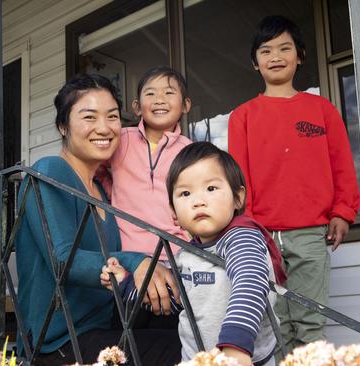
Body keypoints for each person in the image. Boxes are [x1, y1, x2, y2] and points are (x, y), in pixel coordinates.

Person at [15, 73, 181, 365]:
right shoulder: (49, 171)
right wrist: (135, 260)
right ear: (63, 126)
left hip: (106, 329)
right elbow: (64, 260)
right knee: (181, 350)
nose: (104, 128)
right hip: (58, 343)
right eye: (89, 117)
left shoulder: (103, 191)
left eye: (113, 116)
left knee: (189, 327)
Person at [227, 15, 360, 355]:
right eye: (266, 50)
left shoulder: (322, 109)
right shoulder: (243, 115)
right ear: (254, 62)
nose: (275, 56)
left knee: (310, 322)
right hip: (262, 234)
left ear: (300, 55)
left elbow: (342, 166)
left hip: (312, 232)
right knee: (275, 324)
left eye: (285, 48)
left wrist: (343, 212)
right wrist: (249, 226)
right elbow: (237, 179)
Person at [101, 142, 279, 366]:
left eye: (211, 189)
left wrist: (236, 345)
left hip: (244, 358)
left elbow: (250, 282)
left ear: (238, 197)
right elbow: (174, 299)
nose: (198, 201)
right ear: (173, 213)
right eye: (185, 193)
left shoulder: (242, 238)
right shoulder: (186, 255)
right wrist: (125, 284)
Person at [108, 66, 193, 264]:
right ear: (137, 107)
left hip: (177, 253)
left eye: (169, 93)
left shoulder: (190, 152)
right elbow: (97, 170)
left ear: (185, 105)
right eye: (151, 93)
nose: (159, 99)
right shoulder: (121, 139)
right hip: (127, 255)